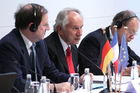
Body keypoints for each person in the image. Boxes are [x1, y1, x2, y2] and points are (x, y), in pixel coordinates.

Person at [0, 3, 72, 93]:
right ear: (32, 27)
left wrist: (72, 79)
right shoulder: (9, 46)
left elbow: (51, 72)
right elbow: (16, 84)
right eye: (45, 25)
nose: (49, 28)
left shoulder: (40, 43)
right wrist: (52, 87)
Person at [78, 10, 140, 76]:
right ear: (117, 25)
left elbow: (137, 61)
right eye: (131, 32)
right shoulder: (93, 40)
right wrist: (119, 73)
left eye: (134, 34)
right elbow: (91, 70)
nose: (132, 37)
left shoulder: (121, 43)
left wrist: (134, 69)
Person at [44, 8, 83, 74]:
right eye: (75, 28)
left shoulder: (73, 46)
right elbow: (52, 76)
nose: (80, 33)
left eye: (81, 27)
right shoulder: (47, 47)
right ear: (60, 29)